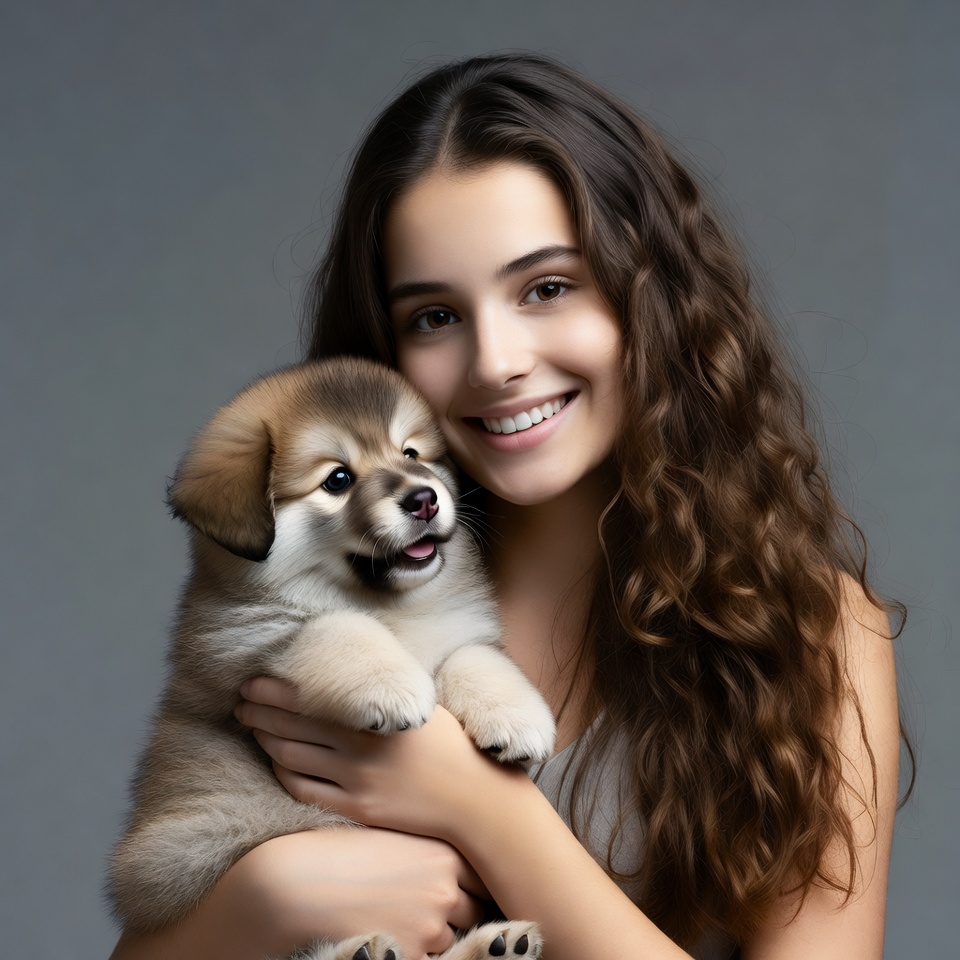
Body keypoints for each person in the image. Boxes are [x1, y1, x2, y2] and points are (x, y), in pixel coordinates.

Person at [110, 53, 909, 960]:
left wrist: (484, 810)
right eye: (435, 317)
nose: (495, 361)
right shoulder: (319, 605)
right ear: (385, 353)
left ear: (652, 299)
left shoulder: (813, 634)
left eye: (547, 287)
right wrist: (264, 895)